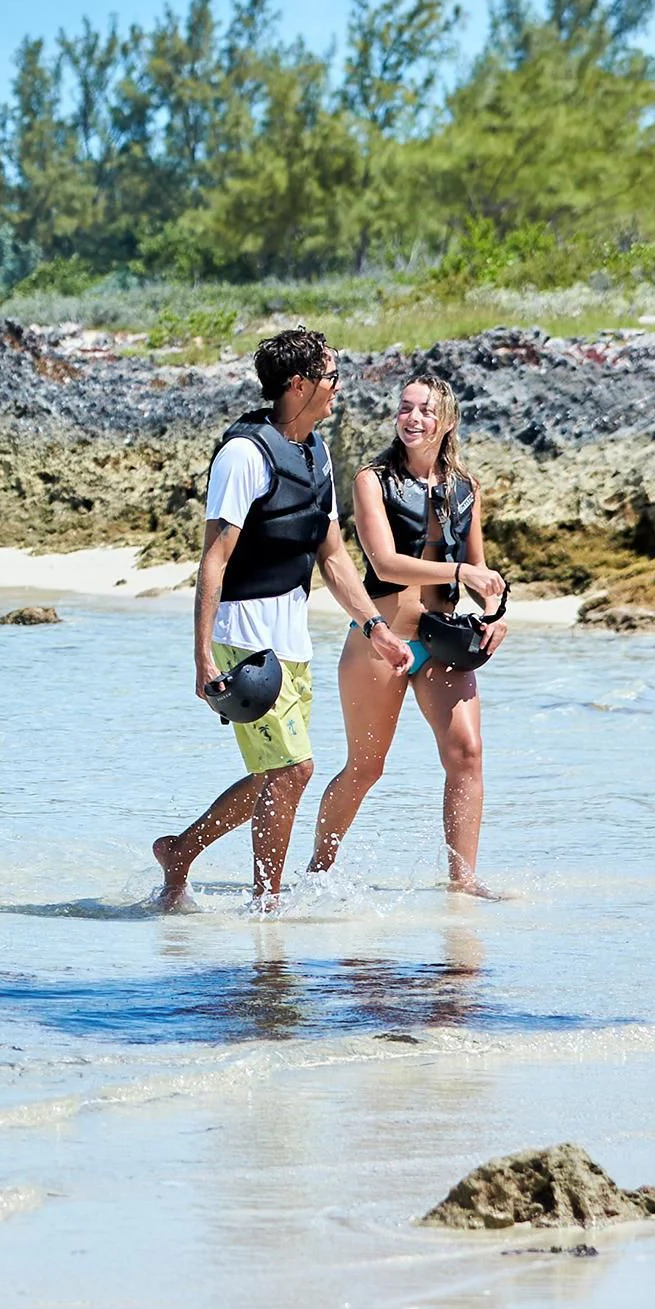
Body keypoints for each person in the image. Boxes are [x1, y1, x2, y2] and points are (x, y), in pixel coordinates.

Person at [151, 328, 408, 912]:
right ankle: (267, 906)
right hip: (243, 640)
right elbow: (213, 559)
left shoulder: (317, 452)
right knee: (295, 769)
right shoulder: (244, 455)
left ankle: (181, 851)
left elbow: (334, 557)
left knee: (279, 771)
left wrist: (375, 627)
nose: (338, 387)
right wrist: (201, 658)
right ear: (300, 384)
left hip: (293, 638)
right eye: (331, 376)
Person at [305, 372, 510, 897]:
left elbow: (479, 566)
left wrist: (495, 610)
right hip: (381, 641)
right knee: (366, 767)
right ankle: (318, 871)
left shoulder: (466, 488)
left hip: (442, 642)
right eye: (404, 408)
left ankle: (463, 882)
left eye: (424, 410)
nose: (412, 419)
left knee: (467, 752)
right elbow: (385, 563)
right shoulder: (372, 479)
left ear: (446, 421)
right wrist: (464, 577)